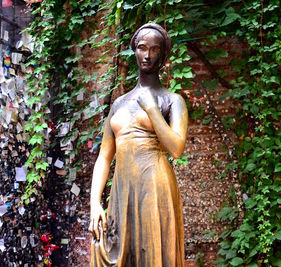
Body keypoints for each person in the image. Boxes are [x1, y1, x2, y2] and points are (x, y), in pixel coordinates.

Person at [88, 23, 188, 267]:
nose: (147, 55)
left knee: (154, 254)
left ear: (162, 56)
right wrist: (94, 202)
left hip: (155, 187)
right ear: (134, 51)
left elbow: (176, 147)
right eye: (142, 48)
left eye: (154, 50)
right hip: (123, 189)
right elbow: (104, 157)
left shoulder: (172, 100)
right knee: (114, 251)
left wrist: (152, 109)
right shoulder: (119, 103)